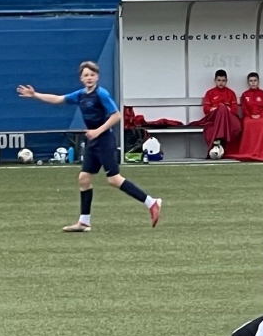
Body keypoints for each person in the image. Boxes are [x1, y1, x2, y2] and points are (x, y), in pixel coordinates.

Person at [18, 61, 162, 232]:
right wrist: (35, 95)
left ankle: (151, 202)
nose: (89, 78)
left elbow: (117, 116)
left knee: (113, 179)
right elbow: (58, 99)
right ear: (81, 78)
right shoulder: (80, 95)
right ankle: (84, 222)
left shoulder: (101, 94)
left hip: (105, 140)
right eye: (86, 75)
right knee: (84, 179)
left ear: (97, 77)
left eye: (92, 75)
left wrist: (97, 131)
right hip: (93, 142)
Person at [201, 69, 242, 156]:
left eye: (223, 81)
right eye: (219, 80)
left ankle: (218, 141)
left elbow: (234, 110)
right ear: (215, 80)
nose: (221, 83)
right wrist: (220, 108)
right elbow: (206, 110)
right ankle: (220, 141)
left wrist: (222, 109)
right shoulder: (210, 93)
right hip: (214, 119)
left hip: (228, 119)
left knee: (224, 111)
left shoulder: (231, 93)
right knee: (221, 109)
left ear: (226, 81)